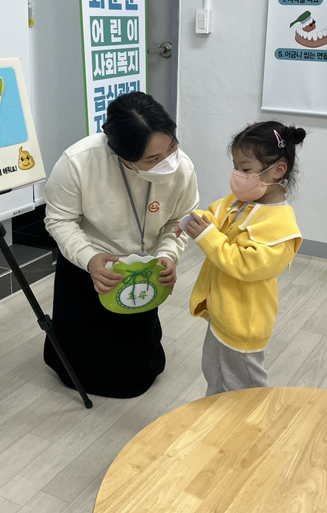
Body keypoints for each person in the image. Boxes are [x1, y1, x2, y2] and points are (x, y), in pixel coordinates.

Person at [42, 91, 199, 398]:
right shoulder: (78, 162)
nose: (168, 162)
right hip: (89, 263)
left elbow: (179, 220)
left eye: (172, 146)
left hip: (144, 265)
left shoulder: (182, 168)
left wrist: (168, 255)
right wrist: (89, 258)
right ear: (121, 155)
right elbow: (59, 219)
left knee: (135, 361)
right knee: (78, 343)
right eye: (153, 159)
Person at [179, 121, 305, 396]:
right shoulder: (239, 202)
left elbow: (246, 265)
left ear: (278, 171)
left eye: (245, 169)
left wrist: (209, 238)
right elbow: (216, 214)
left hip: (244, 322)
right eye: (235, 167)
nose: (237, 175)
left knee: (246, 390)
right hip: (223, 312)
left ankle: (250, 423)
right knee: (214, 372)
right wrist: (198, 219)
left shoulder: (281, 226)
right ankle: (218, 414)